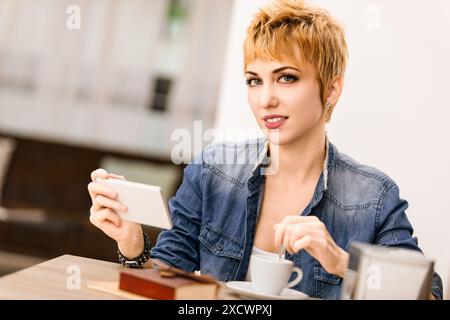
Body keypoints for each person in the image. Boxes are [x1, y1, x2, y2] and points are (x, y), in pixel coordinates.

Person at [87, 0, 443, 299]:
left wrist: (340, 262)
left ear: (332, 89)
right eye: (254, 81)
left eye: (287, 77)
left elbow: (426, 295)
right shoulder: (212, 171)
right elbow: (164, 279)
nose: (266, 99)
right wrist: (133, 243)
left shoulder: (373, 196)